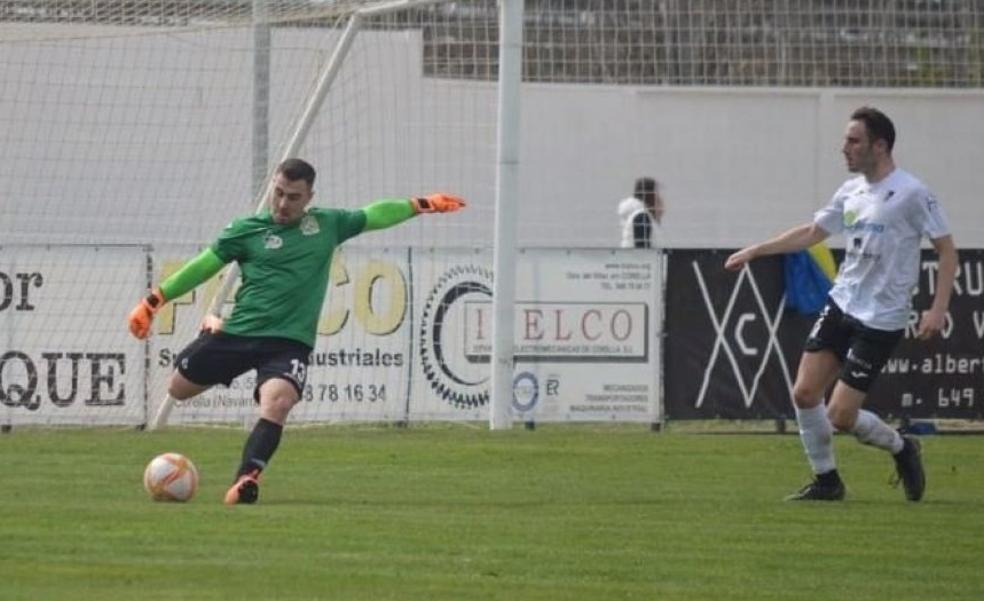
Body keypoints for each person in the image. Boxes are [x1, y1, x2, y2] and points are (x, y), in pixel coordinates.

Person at [127, 158, 465, 505]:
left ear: (308, 198)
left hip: (287, 344)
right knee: (177, 389)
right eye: (278, 193)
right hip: (238, 335)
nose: (283, 203)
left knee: (279, 402)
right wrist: (154, 300)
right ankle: (211, 330)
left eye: (293, 197)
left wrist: (421, 205)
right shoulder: (245, 231)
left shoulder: (327, 225)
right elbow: (203, 266)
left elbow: (374, 214)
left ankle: (246, 479)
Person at [724, 107, 957, 502]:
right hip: (843, 301)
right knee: (803, 393)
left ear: (879, 146)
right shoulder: (850, 191)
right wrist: (757, 250)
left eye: (853, 141)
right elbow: (814, 231)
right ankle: (827, 480)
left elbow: (947, 251)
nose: (844, 148)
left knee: (841, 417)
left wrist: (937, 309)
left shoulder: (913, 193)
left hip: (882, 317)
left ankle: (902, 447)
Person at [617, 176, 664, 248]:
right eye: (657, 193)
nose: (659, 198)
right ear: (650, 195)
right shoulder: (642, 216)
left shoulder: (638, 215)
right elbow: (642, 250)